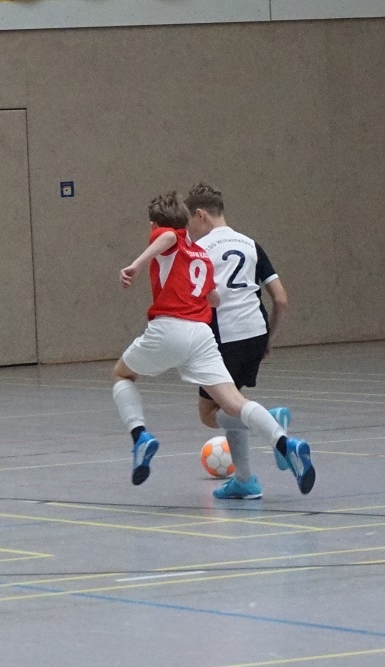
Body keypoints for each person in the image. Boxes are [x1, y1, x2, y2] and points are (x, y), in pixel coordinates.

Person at [111, 192, 315, 498]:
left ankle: (139, 435)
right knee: (233, 403)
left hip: (170, 328)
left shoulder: (171, 238)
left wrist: (137, 264)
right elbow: (214, 298)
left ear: (154, 225)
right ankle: (286, 444)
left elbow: (168, 237)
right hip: (202, 336)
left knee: (122, 374)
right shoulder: (201, 256)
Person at [186, 183, 293, 499]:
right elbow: (281, 299)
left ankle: (270, 422)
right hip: (255, 333)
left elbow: (198, 298)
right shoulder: (251, 245)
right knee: (231, 402)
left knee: (209, 414)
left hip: (223, 337)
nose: (188, 231)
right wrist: (270, 338)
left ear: (201, 215)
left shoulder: (199, 249)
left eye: (189, 222)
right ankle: (245, 481)